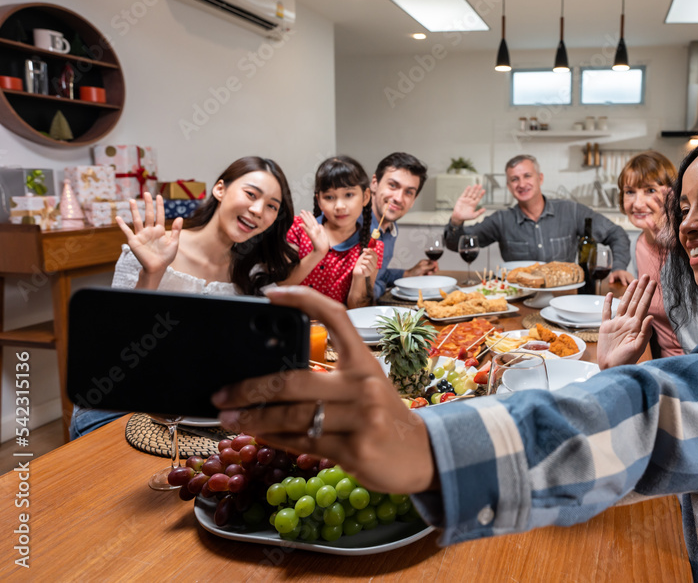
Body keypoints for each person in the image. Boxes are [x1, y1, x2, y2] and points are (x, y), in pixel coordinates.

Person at [213, 128, 698, 582]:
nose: (688, 221)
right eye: (684, 204)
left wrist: (422, 446)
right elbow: (690, 404)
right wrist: (619, 368)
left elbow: (650, 421)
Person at [70, 156, 297, 439]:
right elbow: (115, 350)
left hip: (204, 411)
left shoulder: (255, 275)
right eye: (251, 194)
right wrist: (152, 272)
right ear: (220, 189)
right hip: (125, 403)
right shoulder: (155, 250)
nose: (257, 210)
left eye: (272, 206)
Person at [443, 154, 633, 284]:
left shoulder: (571, 210)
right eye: (514, 179)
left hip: (563, 297)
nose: (522, 183)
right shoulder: (501, 220)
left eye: (527, 176)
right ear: (509, 186)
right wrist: (456, 221)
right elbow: (457, 244)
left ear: (540, 178)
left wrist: (618, 267)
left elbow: (615, 233)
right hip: (518, 301)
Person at [617, 151, 698, 355]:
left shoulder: (691, 243)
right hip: (660, 360)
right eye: (630, 192)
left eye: (650, 190)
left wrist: (674, 241)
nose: (637, 203)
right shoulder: (638, 244)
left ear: (673, 194)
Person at [283, 156, 383, 309]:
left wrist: (359, 278)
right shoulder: (299, 228)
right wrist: (318, 252)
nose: (340, 206)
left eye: (349, 195)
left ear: (365, 197)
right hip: (296, 326)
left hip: (335, 330)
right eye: (329, 197)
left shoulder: (372, 247)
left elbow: (358, 309)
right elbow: (283, 283)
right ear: (319, 201)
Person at [367, 152, 438, 299]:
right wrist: (380, 286)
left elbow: (378, 273)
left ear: (414, 200)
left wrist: (407, 274)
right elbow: (362, 291)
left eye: (408, 192)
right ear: (374, 183)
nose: (398, 198)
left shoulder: (391, 227)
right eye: (392, 185)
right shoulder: (351, 224)